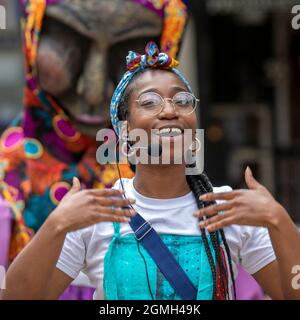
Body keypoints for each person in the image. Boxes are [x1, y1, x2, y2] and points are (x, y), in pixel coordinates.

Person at [2, 42, 300, 300]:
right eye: (149, 102)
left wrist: (278, 220)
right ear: (125, 131)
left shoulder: (227, 210)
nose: (170, 111)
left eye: (182, 100)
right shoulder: (97, 214)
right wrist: (57, 225)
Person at [0, 0, 188, 299]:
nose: (93, 88)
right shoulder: (4, 190)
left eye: (128, 54)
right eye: (67, 44)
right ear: (30, 35)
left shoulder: (188, 196)